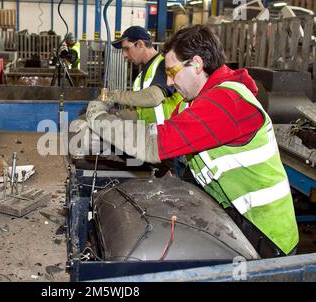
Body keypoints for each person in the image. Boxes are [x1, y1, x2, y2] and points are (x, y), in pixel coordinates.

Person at [85, 25, 298, 257]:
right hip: (231, 217)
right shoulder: (192, 102)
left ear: (196, 64)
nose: (168, 81)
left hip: (265, 231)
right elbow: (161, 132)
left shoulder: (226, 101)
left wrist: (100, 120)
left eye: (172, 71)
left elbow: (153, 144)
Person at [103, 26, 182, 125]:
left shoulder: (163, 64)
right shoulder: (142, 75)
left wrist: (114, 95)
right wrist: (116, 114)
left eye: (126, 49)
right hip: (152, 135)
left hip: (170, 134)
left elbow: (154, 97)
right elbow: (142, 113)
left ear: (140, 44)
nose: (124, 55)